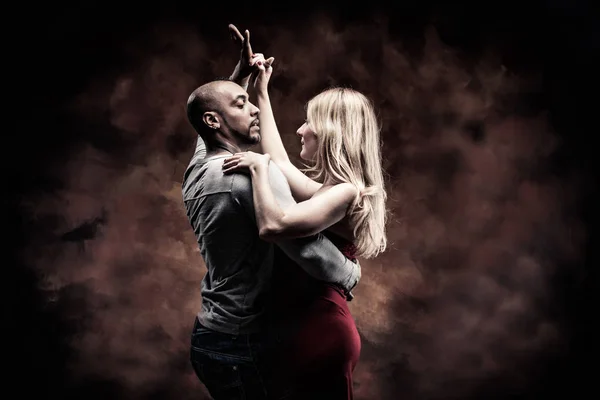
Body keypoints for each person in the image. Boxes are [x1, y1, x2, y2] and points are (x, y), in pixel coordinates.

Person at [182, 25, 361, 400]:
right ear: (216, 120)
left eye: (249, 101)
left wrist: (241, 77)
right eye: (241, 104)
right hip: (241, 344)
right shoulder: (250, 175)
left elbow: (205, 122)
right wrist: (350, 271)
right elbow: (309, 251)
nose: (253, 109)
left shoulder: (197, 166)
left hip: (208, 335)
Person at [221, 26, 388, 399]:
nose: (300, 129)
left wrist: (258, 168)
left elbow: (275, 225)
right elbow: (281, 161)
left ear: (331, 133)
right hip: (305, 328)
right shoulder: (332, 190)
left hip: (321, 333)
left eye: (309, 122)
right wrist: (261, 92)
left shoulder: (345, 192)